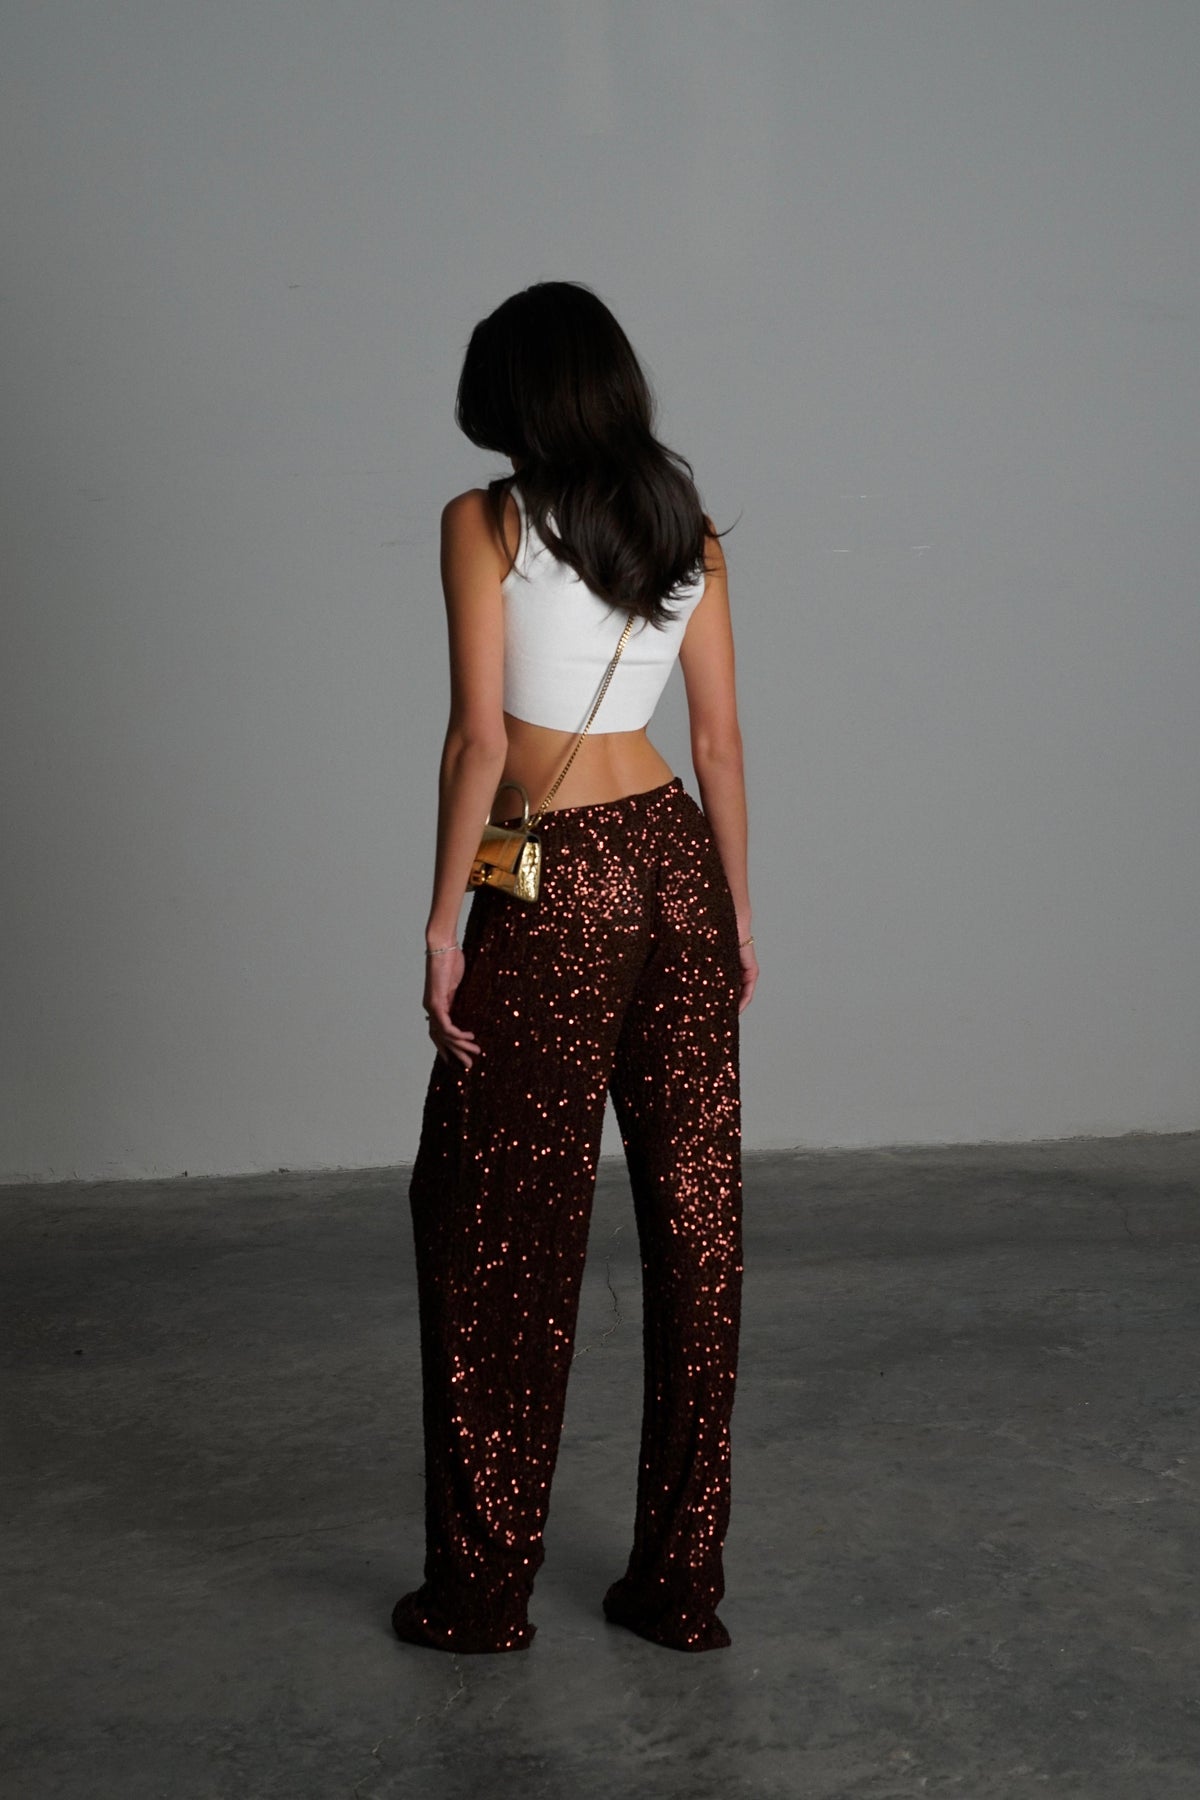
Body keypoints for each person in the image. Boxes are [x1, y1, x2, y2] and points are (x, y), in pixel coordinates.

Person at [392, 280, 758, 1657]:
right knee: (696, 1224)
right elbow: (717, 744)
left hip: (555, 875)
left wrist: (444, 926)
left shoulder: (483, 522)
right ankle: (680, 1585)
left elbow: (478, 743)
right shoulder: (685, 527)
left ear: (517, 395)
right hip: (675, 861)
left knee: (497, 1222)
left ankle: (484, 1592)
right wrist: (736, 916)